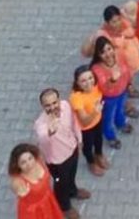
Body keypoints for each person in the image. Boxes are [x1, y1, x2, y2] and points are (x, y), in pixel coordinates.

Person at [33, 88, 90, 218]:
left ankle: (73, 190)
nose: (52, 107)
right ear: (42, 106)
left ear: (59, 100)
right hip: (57, 162)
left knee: (71, 175)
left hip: (72, 149)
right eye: (47, 105)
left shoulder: (66, 106)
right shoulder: (41, 124)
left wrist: (79, 139)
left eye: (54, 102)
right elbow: (43, 140)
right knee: (60, 184)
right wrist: (50, 132)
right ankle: (64, 206)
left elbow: (74, 123)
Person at [90, 36, 132, 150]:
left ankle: (121, 123)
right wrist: (112, 80)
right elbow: (103, 88)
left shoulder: (119, 57)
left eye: (109, 49)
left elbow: (127, 70)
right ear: (98, 55)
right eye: (103, 52)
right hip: (109, 98)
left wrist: (129, 83)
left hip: (122, 92)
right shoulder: (97, 69)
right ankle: (110, 136)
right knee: (108, 117)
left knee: (120, 110)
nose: (108, 54)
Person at [8, 143, 66, 219]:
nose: (29, 164)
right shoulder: (18, 181)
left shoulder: (39, 161)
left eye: (30, 158)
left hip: (48, 200)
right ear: (17, 165)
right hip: (34, 211)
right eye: (23, 162)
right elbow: (19, 191)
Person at [69, 66, 107, 177]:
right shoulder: (76, 98)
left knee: (99, 139)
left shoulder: (96, 86)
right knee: (88, 147)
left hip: (98, 121)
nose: (89, 83)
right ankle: (91, 162)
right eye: (83, 81)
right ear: (77, 83)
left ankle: (99, 154)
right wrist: (95, 112)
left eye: (90, 78)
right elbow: (84, 122)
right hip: (86, 128)